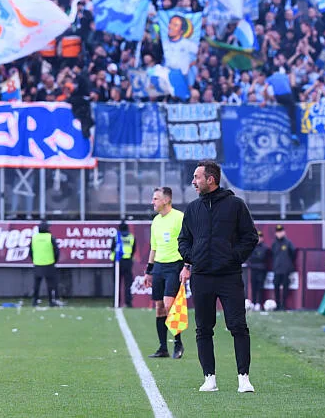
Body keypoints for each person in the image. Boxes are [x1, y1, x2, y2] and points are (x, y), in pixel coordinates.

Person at [178, 160, 259, 393]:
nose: (193, 181)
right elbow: (184, 239)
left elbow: (250, 238)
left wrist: (234, 257)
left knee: (238, 326)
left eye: (197, 177)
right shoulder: (193, 209)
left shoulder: (236, 205)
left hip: (229, 276)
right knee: (203, 329)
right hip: (201, 276)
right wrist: (193, 256)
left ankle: (244, 378)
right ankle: (209, 379)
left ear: (210, 179)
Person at [143, 187, 186, 359]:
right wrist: (149, 270)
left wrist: (186, 265)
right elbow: (153, 248)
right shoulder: (156, 221)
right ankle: (163, 348)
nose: (152, 202)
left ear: (166, 200)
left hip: (174, 265)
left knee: (170, 305)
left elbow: (187, 241)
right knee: (159, 308)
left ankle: (178, 342)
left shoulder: (179, 217)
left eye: (155, 199)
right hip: (159, 267)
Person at [30, 220, 60, 306]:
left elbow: (30, 252)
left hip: (37, 263)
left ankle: (34, 301)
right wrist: (55, 260)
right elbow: (56, 251)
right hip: (49, 263)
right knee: (50, 284)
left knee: (36, 284)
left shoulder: (34, 238)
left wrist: (34, 260)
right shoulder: (50, 237)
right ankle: (51, 301)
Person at [110, 219, 136, 308]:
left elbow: (112, 248)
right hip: (128, 262)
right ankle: (128, 303)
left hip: (118, 262)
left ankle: (116, 302)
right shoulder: (131, 237)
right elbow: (133, 250)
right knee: (127, 283)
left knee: (117, 283)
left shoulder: (117, 237)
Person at [271, 225, 297, 311]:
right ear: (276, 233)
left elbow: (293, 253)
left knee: (285, 288)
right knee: (276, 287)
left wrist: (288, 263)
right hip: (277, 269)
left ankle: (283, 305)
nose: (279, 233)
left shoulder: (288, 242)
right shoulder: (274, 243)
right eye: (278, 232)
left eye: (281, 231)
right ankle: (277, 305)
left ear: (284, 232)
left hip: (286, 269)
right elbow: (273, 255)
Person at [246, 231, 270, 311]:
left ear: (262, 238)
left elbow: (262, 258)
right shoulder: (251, 247)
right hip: (253, 270)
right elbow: (250, 258)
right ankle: (253, 302)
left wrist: (256, 260)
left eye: (260, 237)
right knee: (253, 287)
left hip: (261, 270)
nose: (258, 239)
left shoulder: (265, 248)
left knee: (260, 287)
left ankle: (259, 303)